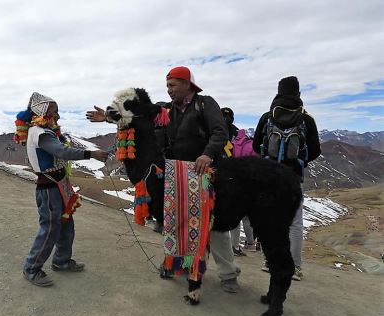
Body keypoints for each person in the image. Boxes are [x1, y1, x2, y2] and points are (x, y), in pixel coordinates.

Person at [87, 66, 241, 293]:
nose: (169, 90)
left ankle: (228, 274)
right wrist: (109, 117)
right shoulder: (165, 109)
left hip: (204, 174)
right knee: (176, 222)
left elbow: (220, 133)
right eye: (167, 86)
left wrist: (207, 153)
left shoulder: (205, 104)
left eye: (173, 85)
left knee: (212, 224)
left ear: (188, 84)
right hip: (175, 175)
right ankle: (177, 263)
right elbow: (138, 115)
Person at [20, 92, 109, 287]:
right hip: (49, 188)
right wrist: (91, 153)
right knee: (50, 228)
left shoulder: (46, 131)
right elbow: (61, 151)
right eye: (55, 112)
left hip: (58, 185)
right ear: (42, 112)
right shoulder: (40, 133)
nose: (58, 116)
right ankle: (31, 267)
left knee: (66, 224)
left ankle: (61, 261)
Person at [252, 76, 321, 281]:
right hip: (293, 176)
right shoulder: (306, 119)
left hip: (269, 175)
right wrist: (300, 161)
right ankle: (295, 268)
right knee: (295, 223)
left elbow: (256, 145)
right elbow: (315, 150)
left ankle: (270, 262)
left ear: (278, 91)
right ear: (298, 93)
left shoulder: (267, 117)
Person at [220, 107, 256, 255]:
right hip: (238, 178)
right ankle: (235, 246)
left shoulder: (213, 130)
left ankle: (219, 244)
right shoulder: (240, 137)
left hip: (218, 175)